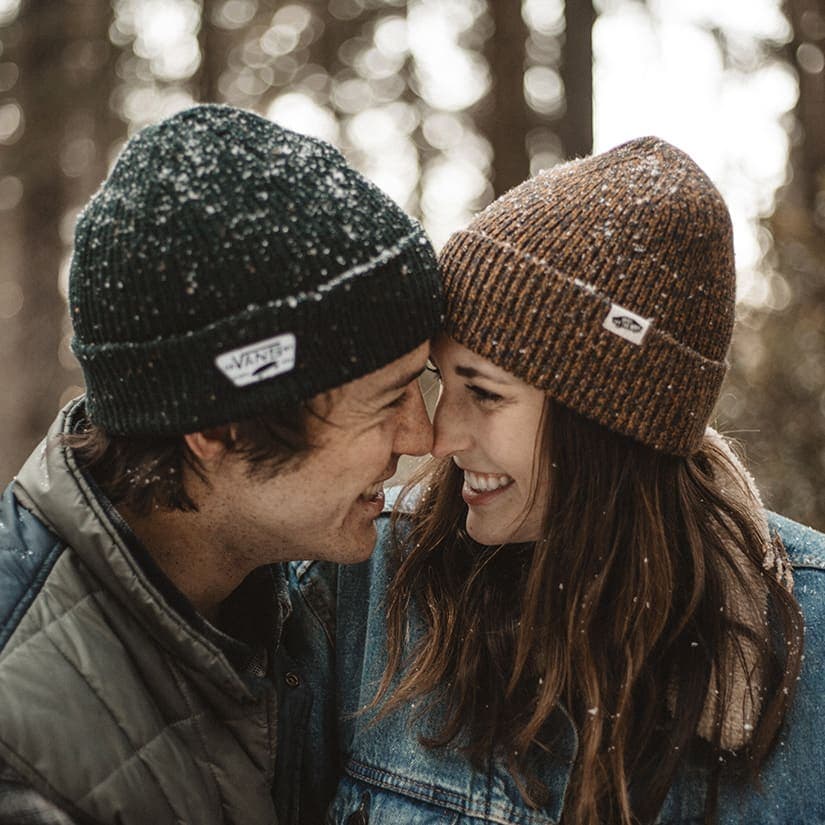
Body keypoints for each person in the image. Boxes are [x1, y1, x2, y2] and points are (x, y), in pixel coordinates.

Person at [297, 137, 825, 824]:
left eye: (483, 393)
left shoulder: (807, 636)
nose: (439, 434)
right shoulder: (372, 581)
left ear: (609, 424)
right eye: (441, 382)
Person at [0, 104, 443, 825]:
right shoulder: (22, 755)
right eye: (387, 399)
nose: (422, 436)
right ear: (218, 427)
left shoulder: (299, 591)